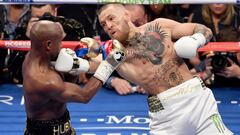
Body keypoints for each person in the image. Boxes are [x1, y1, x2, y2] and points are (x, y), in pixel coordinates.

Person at [95, 4, 233, 135]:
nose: (108, 26)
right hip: (167, 113)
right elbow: (93, 66)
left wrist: (196, 40)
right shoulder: (115, 54)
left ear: (126, 15)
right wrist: (77, 62)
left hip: (199, 101)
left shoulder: (159, 26)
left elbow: (204, 30)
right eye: (103, 24)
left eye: (111, 18)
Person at [22, 20, 125, 135]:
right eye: (60, 41)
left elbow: (66, 81)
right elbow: (84, 95)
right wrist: (109, 64)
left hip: (63, 126)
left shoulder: (34, 56)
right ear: (48, 45)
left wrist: (78, 62)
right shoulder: (45, 80)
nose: (61, 45)